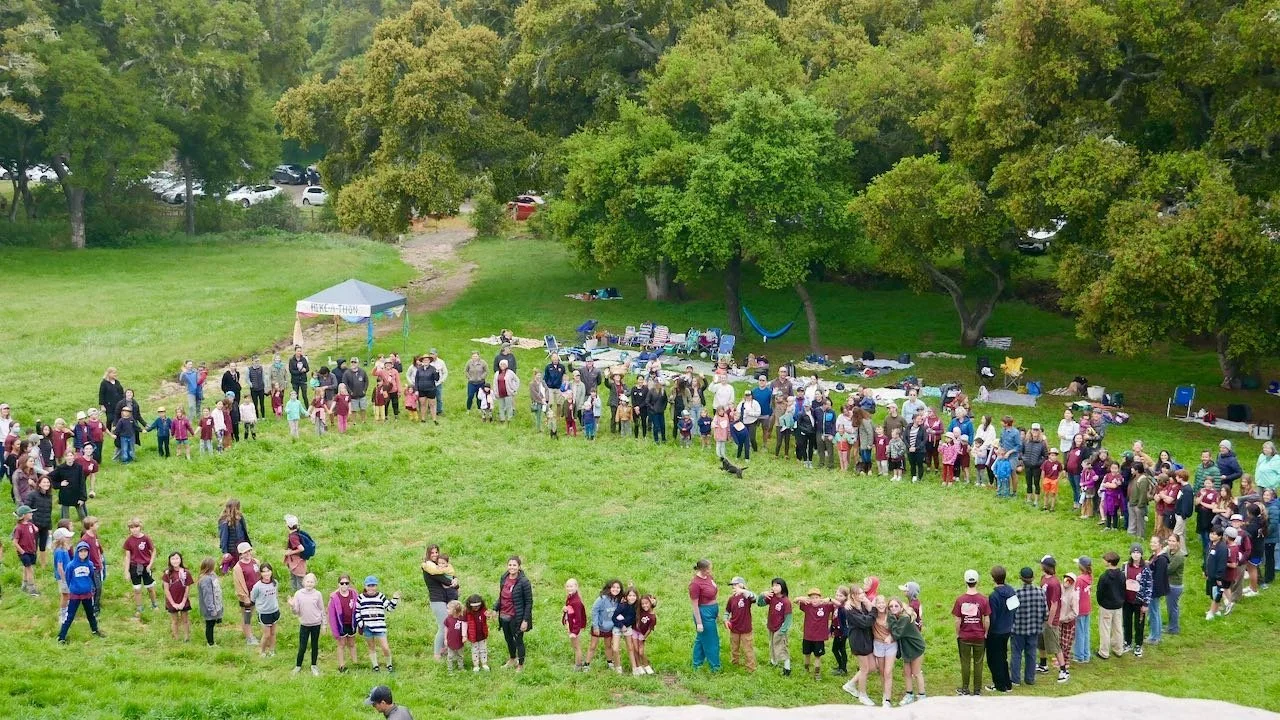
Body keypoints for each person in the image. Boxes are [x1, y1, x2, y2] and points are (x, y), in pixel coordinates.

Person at [952, 569, 989, 696]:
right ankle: (977, 690)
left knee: (965, 662)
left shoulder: (960, 600)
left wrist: (958, 633)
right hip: (979, 636)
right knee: (978, 662)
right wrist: (985, 632)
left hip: (964, 635)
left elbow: (957, 620)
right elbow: (987, 619)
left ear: (965, 581)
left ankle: (965, 688)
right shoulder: (983, 599)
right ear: (977, 581)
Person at [57, 541, 103, 643]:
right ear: (77, 552)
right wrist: (73, 589)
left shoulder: (90, 565)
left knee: (91, 614)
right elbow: (68, 578)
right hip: (75, 595)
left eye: (85, 551)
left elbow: (91, 576)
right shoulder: (71, 565)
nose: (83, 553)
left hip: (87, 594)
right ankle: (61, 636)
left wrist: (90, 588)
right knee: (70, 616)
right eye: (81, 551)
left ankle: (95, 630)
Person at [1010, 567, 1046, 686]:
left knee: (1016, 654)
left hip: (1018, 630)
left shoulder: (1016, 594)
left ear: (1021, 578)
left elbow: (1009, 611)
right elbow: (1046, 613)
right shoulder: (1040, 592)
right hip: (1034, 630)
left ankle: (1015, 679)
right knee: (1031, 654)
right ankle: (1030, 679)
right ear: (1033, 578)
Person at [421, 544, 458, 660]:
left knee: (450, 624)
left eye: (436, 552)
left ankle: (443, 649)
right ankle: (436, 655)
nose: (435, 555)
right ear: (428, 554)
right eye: (432, 553)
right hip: (437, 599)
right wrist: (455, 582)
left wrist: (455, 579)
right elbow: (444, 579)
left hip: (445, 598)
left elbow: (450, 575)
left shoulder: (440, 566)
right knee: (443, 626)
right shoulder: (429, 567)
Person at [356, 576, 401, 672]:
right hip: (367, 627)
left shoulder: (380, 596)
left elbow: (389, 608)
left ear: (376, 586)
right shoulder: (360, 598)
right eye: (369, 585)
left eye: (373, 585)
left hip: (380, 627)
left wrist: (395, 599)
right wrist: (361, 624)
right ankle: (375, 666)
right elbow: (357, 612)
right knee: (371, 647)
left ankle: (389, 664)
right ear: (365, 586)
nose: (371, 588)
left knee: (385, 647)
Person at [887, 596, 927, 706]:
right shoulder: (898, 617)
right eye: (891, 606)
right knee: (907, 672)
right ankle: (909, 694)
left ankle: (922, 695)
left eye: (896, 606)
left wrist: (890, 619)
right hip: (907, 648)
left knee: (916, 672)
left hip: (915, 647)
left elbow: (896, 634)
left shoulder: (904, 618)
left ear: (901, 607)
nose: (893, 608)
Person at [497, 556, 533, 671]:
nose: (512, 567)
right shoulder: (504, 577)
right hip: (504, 615)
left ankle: (520, 664)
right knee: (508, 639)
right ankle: (512, 659)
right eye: (510, 565)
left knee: (518, 640)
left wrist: (525, 620)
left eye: (514, 565)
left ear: (519, 567)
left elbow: (529, 602)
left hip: (516, 617)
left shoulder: (524, 582)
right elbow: (501, 596)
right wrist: (495, 608)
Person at [289, 572, 324, 675]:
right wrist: (292, 606)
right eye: (308, 581)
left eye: (311, 582)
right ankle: (298, 666)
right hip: (304, 624)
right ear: (304, 582)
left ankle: (314, 665)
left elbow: (321, 610)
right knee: (302, 646)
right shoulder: (298, 594)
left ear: (315, 583)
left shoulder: (318, 594)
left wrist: (324, 624)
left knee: (315, 645)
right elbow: (296, 611)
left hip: (316, 624)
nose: (309, 584)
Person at [122, 517, 158, 615]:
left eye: (136, 527)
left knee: (150, 588)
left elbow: (153, 551)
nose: (134, 529)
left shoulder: (146, 538)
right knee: (137, 589)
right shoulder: (128, 540)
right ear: (129, 529)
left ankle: (154, 604)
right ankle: (139, 608)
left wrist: (150, 564)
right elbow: (127, 557)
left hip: (145, 566)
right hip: (134, 567)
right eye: (132, 528)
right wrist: (126, 571)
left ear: (140, 527)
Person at [1037, 556, 1065, 680]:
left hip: (1050, 619)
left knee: (1054, 645)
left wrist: (1050, 621)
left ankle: (1064, 670)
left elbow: (1054, 604)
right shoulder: (1043, 579)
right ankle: (1043, 664)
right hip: (1042, 616)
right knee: (1041, 642)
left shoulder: (1054, 583)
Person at [758, 577, 792, 676]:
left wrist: (782, 630)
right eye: (773, 585)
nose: (774, 587)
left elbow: (788, 618)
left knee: (781, 647)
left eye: (777, 585)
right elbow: (760, 604)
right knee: (772, 644)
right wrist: (762, 595)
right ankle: (774, 662)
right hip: (771, 626)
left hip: (780, 629)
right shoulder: (771, 597)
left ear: (783, 587)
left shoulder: (786, 601)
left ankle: (787, 668)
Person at [1095, 551, 1125, 658]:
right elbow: (1123, 589)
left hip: (1106, 607)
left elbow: (1100, 593)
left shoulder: (1104, 577)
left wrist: (1101, 603)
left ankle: (1104, 652)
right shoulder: (1122, 575)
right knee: (1118, 628)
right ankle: (1118, 649)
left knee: (1105, 630)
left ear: (1109, 563)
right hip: (1118, 606)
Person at [328, 573, 360, 672]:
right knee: (341, 644)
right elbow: (332, 616)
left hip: (351, 624)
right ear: (338, 584)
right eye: (342, 583)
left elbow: (358, 608)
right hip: (340, 625)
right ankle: (341, 665)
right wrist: (335, 631)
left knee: (352, 643)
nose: (344, 585)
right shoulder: (334, 597)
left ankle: (355, 663)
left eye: (347, 583)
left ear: (349, 584)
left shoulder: (354, 594)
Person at [232, 542, 261, 646]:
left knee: (252, 614)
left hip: (256, 594)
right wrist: (245, 597)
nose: (248, 553)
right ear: (241, 553)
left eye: (249, 551)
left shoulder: (256, 562)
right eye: (245, 552)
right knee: (246, 616)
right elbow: (238, 584)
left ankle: (247, 633)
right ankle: (249, 637)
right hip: (246, 596)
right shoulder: (238, 567)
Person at [162, 552, 194, 642]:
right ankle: (176, 639)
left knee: (185, 619)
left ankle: (187, 638)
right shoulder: (167, 573)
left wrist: (183, 602)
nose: (175, 561)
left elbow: (187, 588)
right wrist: (173, 603)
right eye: (173, 559)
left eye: (177, 558)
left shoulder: (186, 572)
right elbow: (166, 590)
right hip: (172, 601)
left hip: (183, 599)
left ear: (180, 560)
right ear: (169, 561)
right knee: (174, 620)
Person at [217, 499, 251, 574]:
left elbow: (244, 531)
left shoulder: (239, 517)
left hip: (241, 544)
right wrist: (225, 551)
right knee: (232, 562)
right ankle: (224, 570)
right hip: (232, 547)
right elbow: (224, 536)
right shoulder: (224, 521)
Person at [12, 504, 39, 595]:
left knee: (26, 567)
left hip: (31, 550)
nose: (32, 513)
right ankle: (32, 589)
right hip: (24, 552)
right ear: (24, 515)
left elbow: (36, 530)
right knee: (30, 569)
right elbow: (15, 542)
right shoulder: (18, 528)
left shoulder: (30, 525)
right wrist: (22, 552)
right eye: (29, 512)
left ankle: (24, 585)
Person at [197, 557, 223, 646]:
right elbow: (207, 596)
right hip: (209, 608)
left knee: (211, 624)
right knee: (210, 625)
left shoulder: (211, 575)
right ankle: (210, 643)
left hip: (215, 605)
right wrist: (212, 609)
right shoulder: (205, 579)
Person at [1071, 557, 1093, 664]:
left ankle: (1079, 656)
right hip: (1087, 608)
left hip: (1079, 609)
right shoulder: (1089, 577)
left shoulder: (1079, 580)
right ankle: (1086, 654)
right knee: (1085, 631)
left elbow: (1076, 596)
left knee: (1079, 632)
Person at [563, 579, 587, 670]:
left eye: (571, 586)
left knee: (577, 646)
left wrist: (575, 631)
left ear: (576, 587)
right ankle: (578, 662)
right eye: (568, 586)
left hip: (574, 628)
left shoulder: (576, 601)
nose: (569, 588)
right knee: (575, 646)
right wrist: (566, 609)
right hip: (571, 626)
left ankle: (578, 665)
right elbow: (571, 611)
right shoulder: (570, 597)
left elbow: (578, 618)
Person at [283, 515, 308, 591]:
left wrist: (290, 553)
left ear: (288, 525)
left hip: (297, 561)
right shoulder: (297, 532)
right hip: (298, 560)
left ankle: (300, 595)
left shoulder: (293, 537)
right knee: (294, 577)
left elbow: (301, 548)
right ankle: (295, 594)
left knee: (299, 579)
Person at [493, 360, 520, 424]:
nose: (502, 366)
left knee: (509, 406)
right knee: (501, 406)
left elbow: (517, 380)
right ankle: (502, 419)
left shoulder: (510, 372)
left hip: (508, 392)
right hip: (500, 392)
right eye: (501, 364)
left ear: (506, 365)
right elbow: (494, 383)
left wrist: (514, 389)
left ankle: (509, 419)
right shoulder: (497, 373)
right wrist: (495, 391)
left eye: (504, 364)